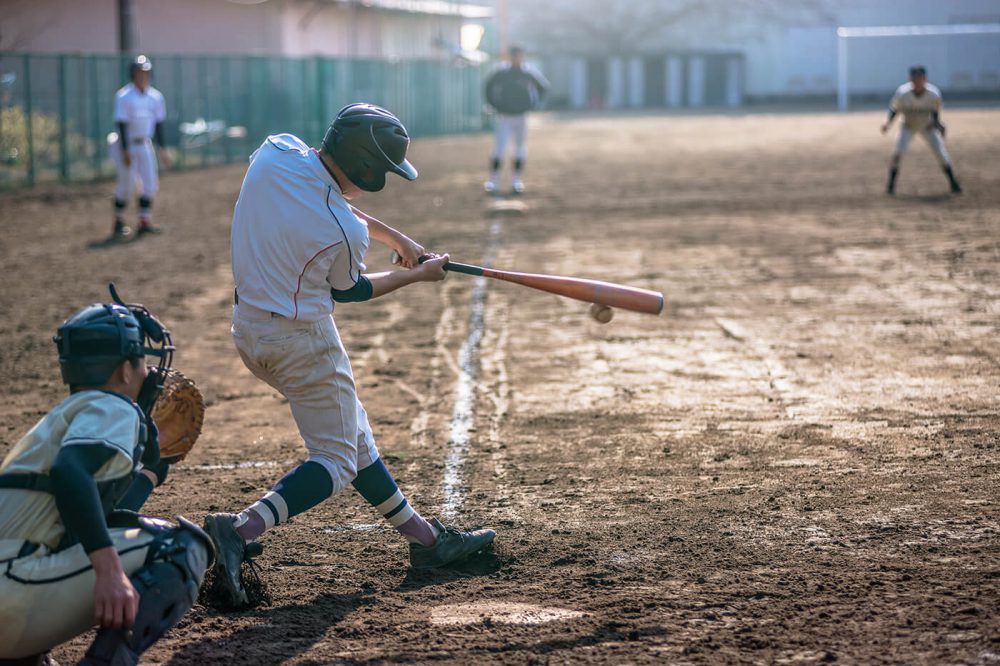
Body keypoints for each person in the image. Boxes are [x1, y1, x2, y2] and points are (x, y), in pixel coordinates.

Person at [203, 103, 496, 608]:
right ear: (363, 165)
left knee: (352, 435)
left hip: (249, 330)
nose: (381, 177)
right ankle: (241, 528)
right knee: (337, 458)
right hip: (303, 343)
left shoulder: (277, 151)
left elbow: (321, 195)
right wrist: (416, 273)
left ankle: (427, 541)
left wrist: (397, 238)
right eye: (381, 168)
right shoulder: (343, 229)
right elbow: (354, 290)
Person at [0, 292, 212, 666]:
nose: (149, 373)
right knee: (180, 547)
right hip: (13, 591)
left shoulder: (66, 418)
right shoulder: (112, 405)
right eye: (142, 362)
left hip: (14, 594)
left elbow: (92, 517)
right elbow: (71, 474)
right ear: (124, 371)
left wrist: (149, 472)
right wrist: (110, 572)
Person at [110, 55, 172, 240]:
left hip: (145, 143)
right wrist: (125, 149)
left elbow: (159, 124)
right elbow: (121, 123)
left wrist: (162, 149)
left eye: (145, 72)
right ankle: (118, 222)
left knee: (150, 184)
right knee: (126, 185)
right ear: (132, 74)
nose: (143, 76)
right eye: (139, 73)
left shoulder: (156, 97)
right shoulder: (124, 96)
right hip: (126, 144)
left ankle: (144, 222)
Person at [881, 65, 962, 195]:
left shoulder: (933, 94)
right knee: (897, 153)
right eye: (914, 78)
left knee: (940, 153)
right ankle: (890, 186)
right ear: (910, 79)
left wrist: (939, 125)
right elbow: (895, 108)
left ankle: (953, 183)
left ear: (925, 78)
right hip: (908, 126)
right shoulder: (903, 93)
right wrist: (888, 123)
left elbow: (935, 114)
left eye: (920, 78)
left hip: (927, 126)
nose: (917, 81)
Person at [483, 46, 549, 195]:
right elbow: (488, 86)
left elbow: (543, 87)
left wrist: (533, 104)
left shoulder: (527, 72)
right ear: (510, 57)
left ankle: (516, 181)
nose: (517, 58)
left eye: (519, 56)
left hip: (521, 116)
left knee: (519, 148)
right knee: (499, 148)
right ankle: (493, 181)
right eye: (514, 56)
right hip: (504, 116)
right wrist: (494, 103)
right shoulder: (503, 72)